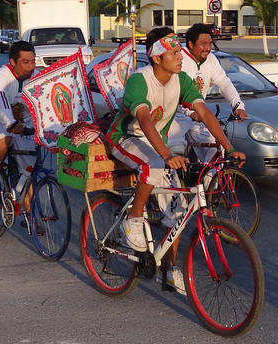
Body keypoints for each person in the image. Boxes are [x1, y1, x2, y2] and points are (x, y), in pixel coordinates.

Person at [105, 27, 245, 294]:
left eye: (180, 51)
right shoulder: (140, 79)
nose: (180, 57)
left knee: (178, 213)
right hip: (125, 137)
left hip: (156, 142)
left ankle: (168, 271)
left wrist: (227, 148)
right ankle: (134, 219)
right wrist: (166, 155)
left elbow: (203, 111)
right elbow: (144, 120)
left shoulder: (181, 79)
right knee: (154, 165)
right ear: (156, 57)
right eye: (173, 52)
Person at [167, 23, 248, 162]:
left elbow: (224, 83)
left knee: (217, 154)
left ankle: (211, 183)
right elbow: (171, 95)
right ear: (191, 44)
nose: (208, 48)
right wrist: (189, 113)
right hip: (176, 117)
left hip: (199, 116)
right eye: (203, 44)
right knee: (174, 158)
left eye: (210, 43)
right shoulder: (179, 59)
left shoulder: (211, 60)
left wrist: (238, 106)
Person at [0, 41, 38, 220]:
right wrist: (11, 125)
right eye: (25, 62)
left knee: (30, 167)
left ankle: (30, 213)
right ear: (13, 61)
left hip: (23, 122)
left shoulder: (36, 76)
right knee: (5, 140)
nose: (31, 66)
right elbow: (1, 103)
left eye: (33, 61)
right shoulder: (1, 76)